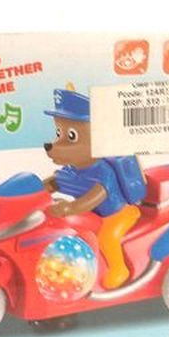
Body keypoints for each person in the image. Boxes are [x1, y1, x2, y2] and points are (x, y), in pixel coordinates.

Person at [43, 86, 146, 289]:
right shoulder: (73, 168)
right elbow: (55, 182)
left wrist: (70, 208)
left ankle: (119, 269)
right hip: (92, 216)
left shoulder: (102, 172)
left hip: (116, 214)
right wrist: (34, 191)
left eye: (71, 136)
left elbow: (96, 196)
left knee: (107, 237)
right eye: (58, 132)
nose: (56, 143)